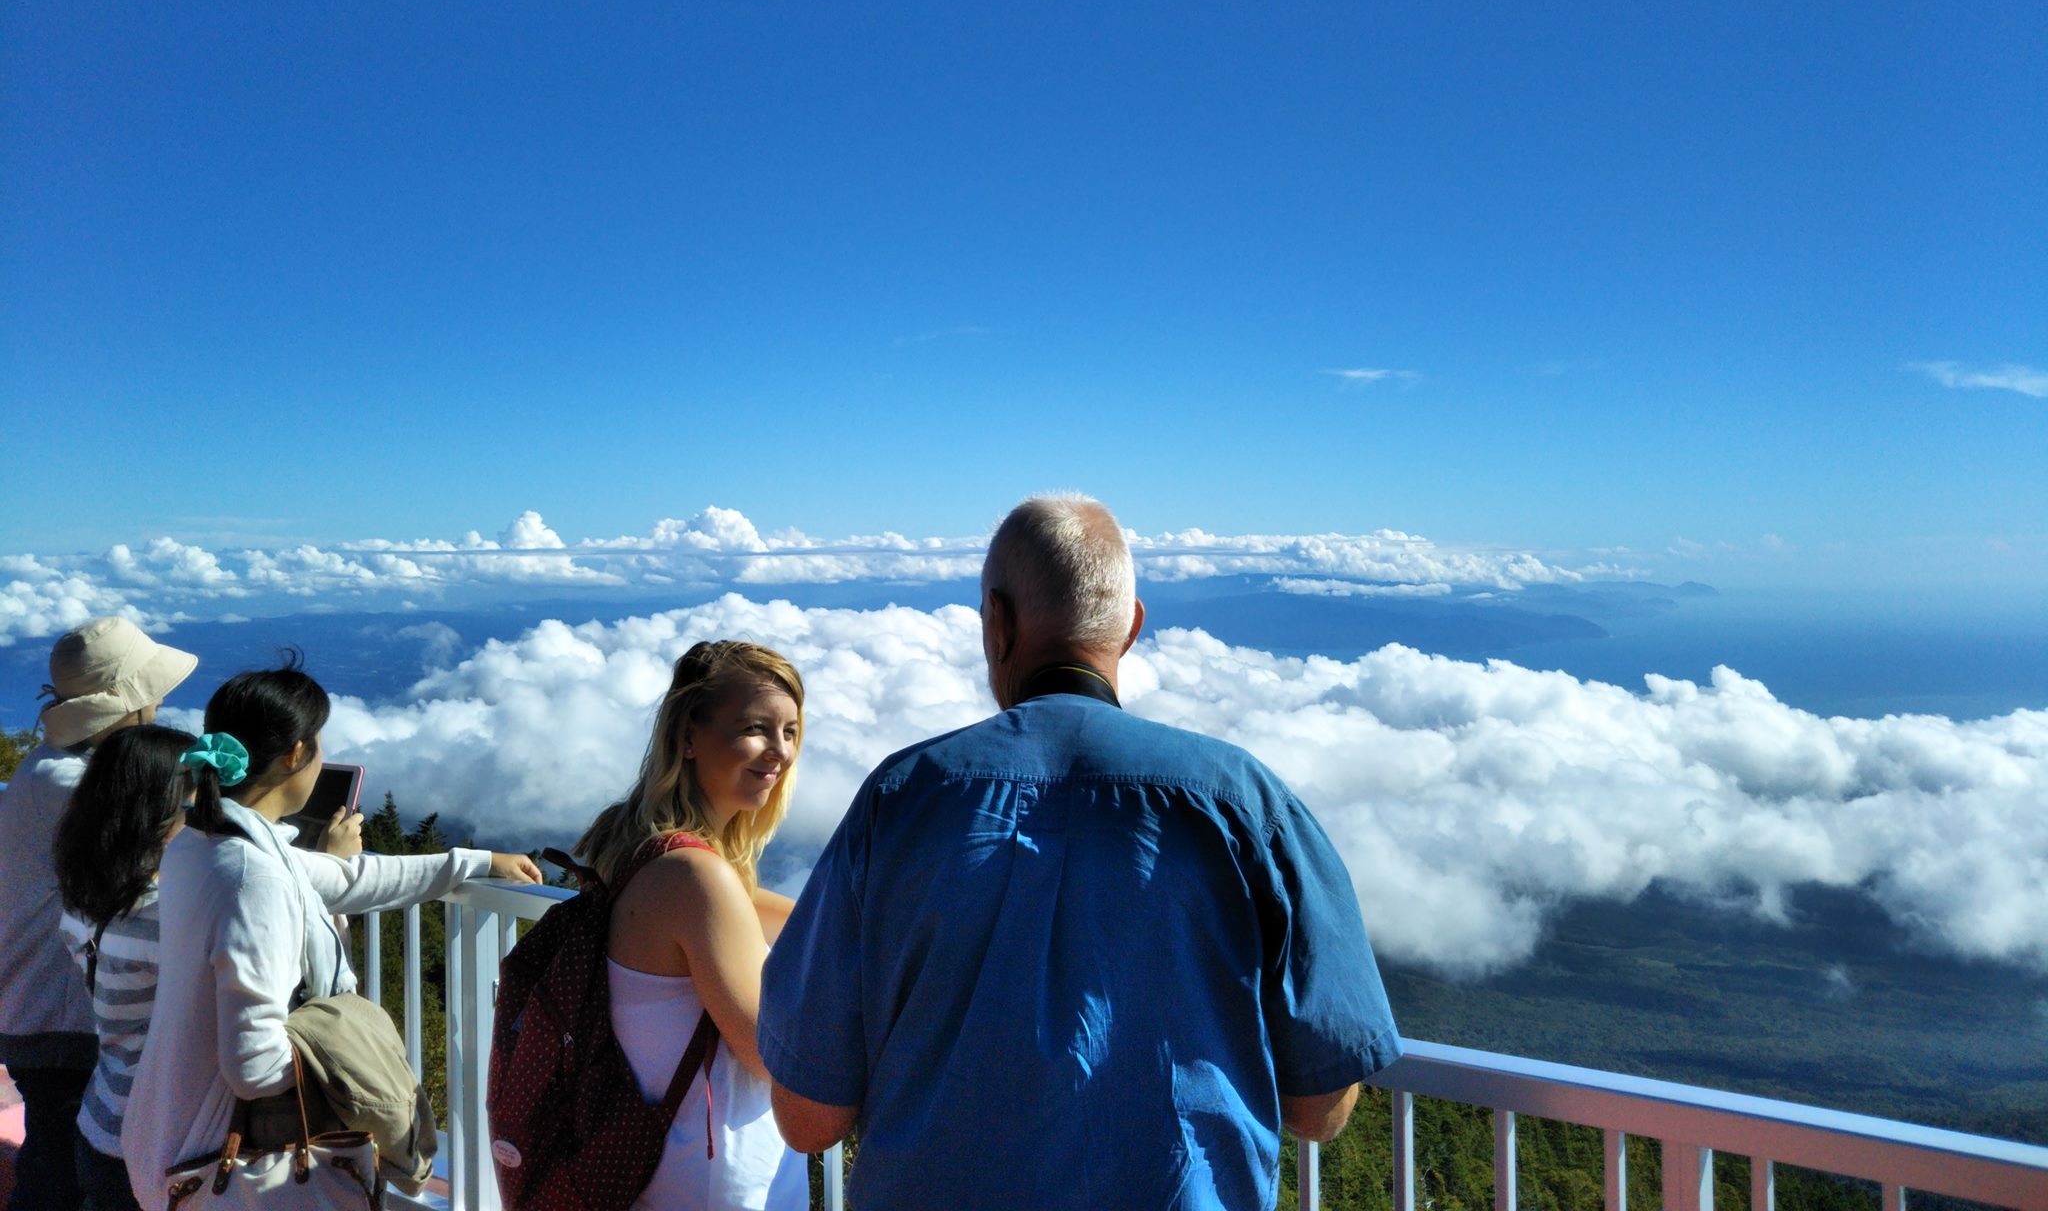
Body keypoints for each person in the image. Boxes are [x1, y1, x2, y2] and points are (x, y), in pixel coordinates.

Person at [760, 495, 1403, 1210]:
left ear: (997, 625)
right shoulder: (1245, 803)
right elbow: (1320, 1109)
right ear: (1130, 628)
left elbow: (808, 1117)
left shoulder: (900, 797)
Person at [120, 661, 543, 1211]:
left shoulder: (203, 843)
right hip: (226, 1164)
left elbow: (348, 878)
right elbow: (254, 1065)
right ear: (295, 754)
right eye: (318, 744)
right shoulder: (254, 876)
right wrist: (353, 1064)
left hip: (169, 1124)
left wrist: (476, 861)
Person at [571, 640, 809, 1211]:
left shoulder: (638, 847)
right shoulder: (696, 879)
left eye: (792, 732)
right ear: (688, 737)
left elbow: (764, 911)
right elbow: (770, 1052)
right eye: (755, 728)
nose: (779, 752)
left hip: (655, 1166)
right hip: (716, 1179)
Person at [0, 617, 197, 1211]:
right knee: (60, 1175)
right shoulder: (78, 785)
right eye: (150, 692)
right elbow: (183, 854)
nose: (160, 702)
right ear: (126, 704)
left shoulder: (46, 767)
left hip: (35, 1005)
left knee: (54, 1160)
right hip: (60, 1014)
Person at [51, 725, 200, 1211]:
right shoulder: (162, 918)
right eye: (194, 804)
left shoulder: (85, 897)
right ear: (164, 813)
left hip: (101, 1121)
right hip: (154, 1146)